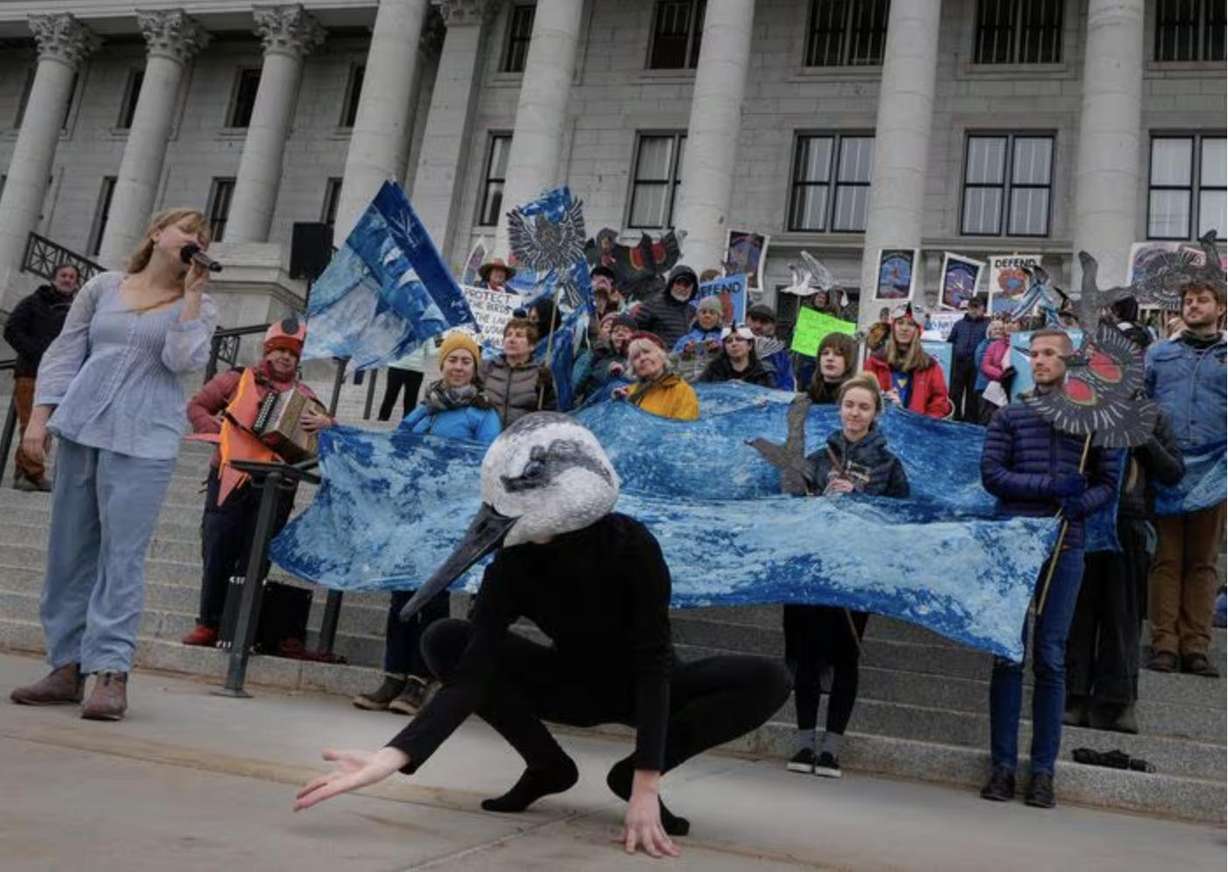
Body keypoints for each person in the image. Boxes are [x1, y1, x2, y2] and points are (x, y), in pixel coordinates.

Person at [293, 415, 792, 859]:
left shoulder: (630, 544)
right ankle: (547, 765)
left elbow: (653, 662)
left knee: (768, 677)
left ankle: (627, 774)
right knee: (446, 638)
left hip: (644, 688)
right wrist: (393, 755)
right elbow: (474, 671)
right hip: (569, 683)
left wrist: (645, 781)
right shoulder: (515, 559)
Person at [9, 208, 219, 721]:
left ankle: (110, 671)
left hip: (144, 440)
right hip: (83, 427)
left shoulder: (201, 305)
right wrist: (38, 421)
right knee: (68, 552)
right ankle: (65, 665)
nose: (195, 239)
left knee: (121, 558)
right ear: (157, 233)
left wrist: (191, 295)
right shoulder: (103, 287)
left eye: (203, 235)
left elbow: (183, 362)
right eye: (187, 230)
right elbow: (64, 351)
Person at [979, 328, 1120, 809]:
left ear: (1068, 362)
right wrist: (1049, 485)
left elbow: (1107, 482)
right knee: (1008, 654)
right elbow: (993, 476)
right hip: (1015, 540)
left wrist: (1081, 504)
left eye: (1048, 354)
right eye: (1033, 353)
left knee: (1052, 657)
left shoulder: (1093, 422)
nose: (1038, 361)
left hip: (1067, 542)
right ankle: (1001, 766)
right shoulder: (1011, 415)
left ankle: (1042, 771)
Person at [354, 332, 502, 715]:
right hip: (412, 515)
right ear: (442, 365)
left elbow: (486, 463)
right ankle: (393, 675)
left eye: (465, 361)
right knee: (401, 596)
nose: (457, 367)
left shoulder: (483, 413)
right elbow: (397, 449)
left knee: (432, 598)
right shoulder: (426, 408)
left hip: (449, 519)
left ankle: (422, 679)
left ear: (475, 368)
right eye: (452, 360)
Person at [181, 318, 333, 648]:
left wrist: (327, 423)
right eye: (280, 350)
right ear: (268, 351)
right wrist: (218, 430)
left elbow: (323, 443)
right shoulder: (236, 378)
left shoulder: (305, 395)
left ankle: (240, 625)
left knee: (257, 555)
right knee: (218, 548)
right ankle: (208, 622)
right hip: (229, 475)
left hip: (276, 486)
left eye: (293, 353)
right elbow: (197, 405)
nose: (285, 357)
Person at [785, 373, 908, 779]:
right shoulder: (819, 458)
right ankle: (804, 742)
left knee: (846, 657)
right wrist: (819, 499)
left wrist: (861, 500)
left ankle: (832, 747)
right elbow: (793, 505)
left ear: (875, 414)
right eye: (849, 405)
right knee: (808, 655)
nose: (854, 413)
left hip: (859, 571)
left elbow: (901, 517)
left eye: (863, 407)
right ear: (840, 409)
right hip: (818, 566)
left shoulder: (889, 464)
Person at [1066, 407, 1183, 733]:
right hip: (1086, 519)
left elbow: (1173, 471)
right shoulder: (1083, 410)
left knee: (1123, 617)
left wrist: (1144, 438)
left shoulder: (1154, 414)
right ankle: (1074, 695)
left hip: (1130, 523)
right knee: (1079, 615)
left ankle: (1118, 702)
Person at [1143, 279, 1226, 677]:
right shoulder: (1159, 354)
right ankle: (1164, 644)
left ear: (1220, 308)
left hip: (1215, 472)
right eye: (1188, 301)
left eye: (1202, 300)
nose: (1193, 306)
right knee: (1166, 558)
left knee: (1203, 561)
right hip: (1167, 467)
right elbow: (1140, 404)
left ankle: (1196, 645)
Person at [3, 262, 80, 491]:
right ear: (53, 277)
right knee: (32, 424)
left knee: (47, 427)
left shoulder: (76, 309)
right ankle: (31, 474)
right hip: (30, 374)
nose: (68, 280)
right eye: (64, 275)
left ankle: (26, 471)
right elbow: (11, 329)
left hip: (59, 377)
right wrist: (36, 353)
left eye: (72, 277)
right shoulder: (32, 302)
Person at [865, 307, 951, 418]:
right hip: (881, 429)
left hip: (916, 430)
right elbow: (864, 395)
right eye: (900, 323)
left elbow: (939, 402)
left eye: (911, 324)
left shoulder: (929, 365)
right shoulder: (875, 361)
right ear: (893, 327)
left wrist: (923, 426)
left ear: (918, 330)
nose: (904, 328)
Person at [481, 318, 555, 426]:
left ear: (531, 346)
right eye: (508, 335)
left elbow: (550, 414)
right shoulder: (487, 367)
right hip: (487, 438)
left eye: (519, 335)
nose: (511, 339)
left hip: (521, 439)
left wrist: (548, 392)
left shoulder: (540, 375)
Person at [615, 333, 699, 421]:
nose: (643, 358)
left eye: (647, 352)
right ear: (634, 369)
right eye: (636, 357)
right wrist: (618, 403)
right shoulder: (628, 393)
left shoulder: (683, 391)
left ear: (661, 356)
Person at [632, 264, 699, 350]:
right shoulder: (652, 305)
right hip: (660, 359)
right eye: (678, 283)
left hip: (688, 360)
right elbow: (635, 332)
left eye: (686, 284)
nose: (682, 288)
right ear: (671, 284)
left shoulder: (694, 311)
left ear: (693, 288)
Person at [573, 313, 635, 402]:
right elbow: (576, 388)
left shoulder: (638, 360)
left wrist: (623, 374)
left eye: (626, 331)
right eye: (615, 331)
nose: (620, 333)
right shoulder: (596, 356)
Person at [947, 295, 990, 422]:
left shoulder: (988, 324)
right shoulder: (958, 324)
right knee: (955, 393)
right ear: (968, 308)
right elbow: (950, 342)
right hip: (958, 364)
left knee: (973, 394)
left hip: (977, 365)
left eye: (977, 307)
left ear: (983, 309)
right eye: (972, 307)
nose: (974, 310)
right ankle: (955, 418)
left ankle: (970, 421)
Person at [698, 324, 774, 387]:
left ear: (750, 345)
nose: (734, 344)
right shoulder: (713, 370)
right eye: (729, 341)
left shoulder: (763, 372)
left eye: (739, 339)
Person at [746, 303, 795, 391]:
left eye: (764, 322)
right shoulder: (734, 344)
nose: (758, 326)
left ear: (773, 325)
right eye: (753, 320)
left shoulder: (781, 354)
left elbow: (788, 382)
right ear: (746, 319)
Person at [976, 319, 1014, 422]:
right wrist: (1002, 375)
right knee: (987, 417)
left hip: (1004, 386)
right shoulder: (984, 345)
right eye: (995, 329)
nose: (998, 331)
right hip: (986, 386)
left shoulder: (1009, 344)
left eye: (1000, 329)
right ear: (989, 331)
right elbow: (982, 365)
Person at [805, 333, 857, 404]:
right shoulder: (806, 396)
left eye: (838, 354)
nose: (830, 358)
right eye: (825, 353)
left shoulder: (856, 397)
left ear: (849, 360)